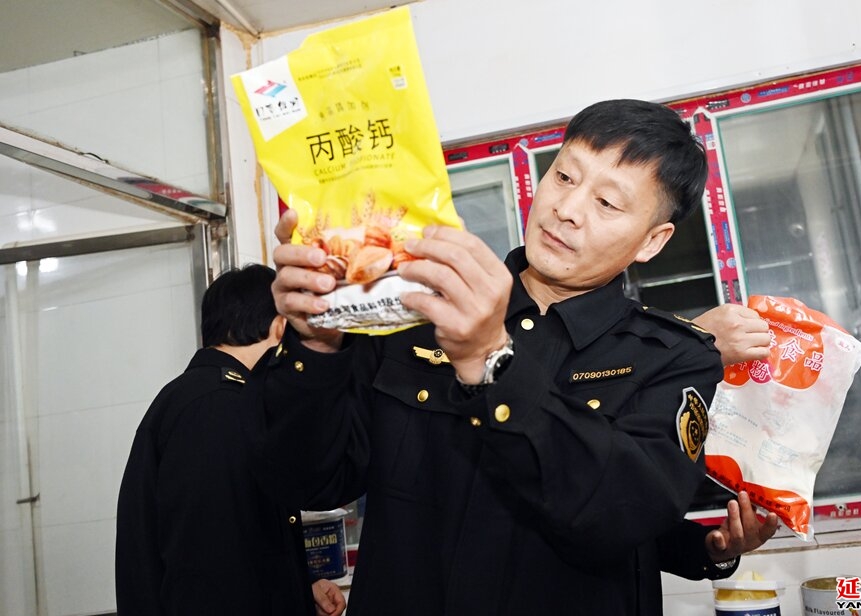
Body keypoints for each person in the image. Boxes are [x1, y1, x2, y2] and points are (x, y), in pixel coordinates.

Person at [258, 99, 778, 615]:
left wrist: (491, 360)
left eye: (607, 203)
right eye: (564, 177)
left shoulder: (674, 357)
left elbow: (623, 513)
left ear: (652, 241)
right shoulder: (420, 311)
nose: (567, 209)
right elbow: (311, 482)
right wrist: (317, 345)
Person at [115, 264, 346, 616]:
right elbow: (214, 571)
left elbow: (234, 544)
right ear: (280, 327)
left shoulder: (197, 397)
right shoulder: (222, 406)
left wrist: (299, 588)